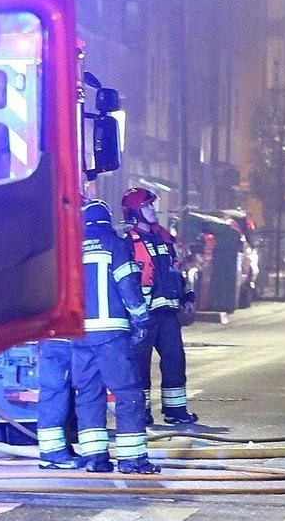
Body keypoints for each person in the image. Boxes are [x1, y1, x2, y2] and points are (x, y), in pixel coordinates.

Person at [38, 199, 156, 473]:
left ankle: (95, 458)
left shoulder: (71, 250)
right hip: (111, 334)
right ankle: (132, 459)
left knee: (89, 394)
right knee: (127, 393)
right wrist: (141, 320)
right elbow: (129, 287)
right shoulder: (114, 244)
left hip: (79, 336)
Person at [122, 185, 198, 425]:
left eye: (151, 205)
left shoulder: (164, 238)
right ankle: (140, 412)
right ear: (135, 212)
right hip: (141, 316)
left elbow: (176, 271)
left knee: (175, 360)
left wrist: (187, 296)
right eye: (146, 206)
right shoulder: (127, 242)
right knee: (139, 365)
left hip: (167, 314)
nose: (152, 209)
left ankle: (176, 410)